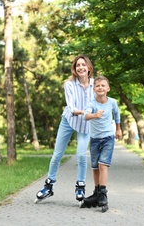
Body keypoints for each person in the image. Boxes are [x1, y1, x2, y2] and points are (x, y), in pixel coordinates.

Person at [35, 54, 94, 204]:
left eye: (83, 64)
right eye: (77, 65)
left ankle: (80, 186)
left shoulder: (95, 84)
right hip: (69, 120)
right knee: (57, 155)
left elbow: (100, 104)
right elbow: (72, 107)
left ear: (88, 67)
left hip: (85, 124)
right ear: (75, 69)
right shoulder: (69, 84)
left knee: (81, 155)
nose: (80, 67)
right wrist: (86, 113)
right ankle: (48, 186)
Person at [82, 75, 121, 211]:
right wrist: (94, 115)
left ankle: (103, 194)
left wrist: (118, 129)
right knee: (95, 167)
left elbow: (117, 115)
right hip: (94, 139)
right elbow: (86, 116)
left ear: (108, 88)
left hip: (108, 138)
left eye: (103, 85)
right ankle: (97, 193)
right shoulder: (91, 104)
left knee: (102, 164)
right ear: (94, 89)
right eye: (98, 86)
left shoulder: (113, 102)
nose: (100, 88)